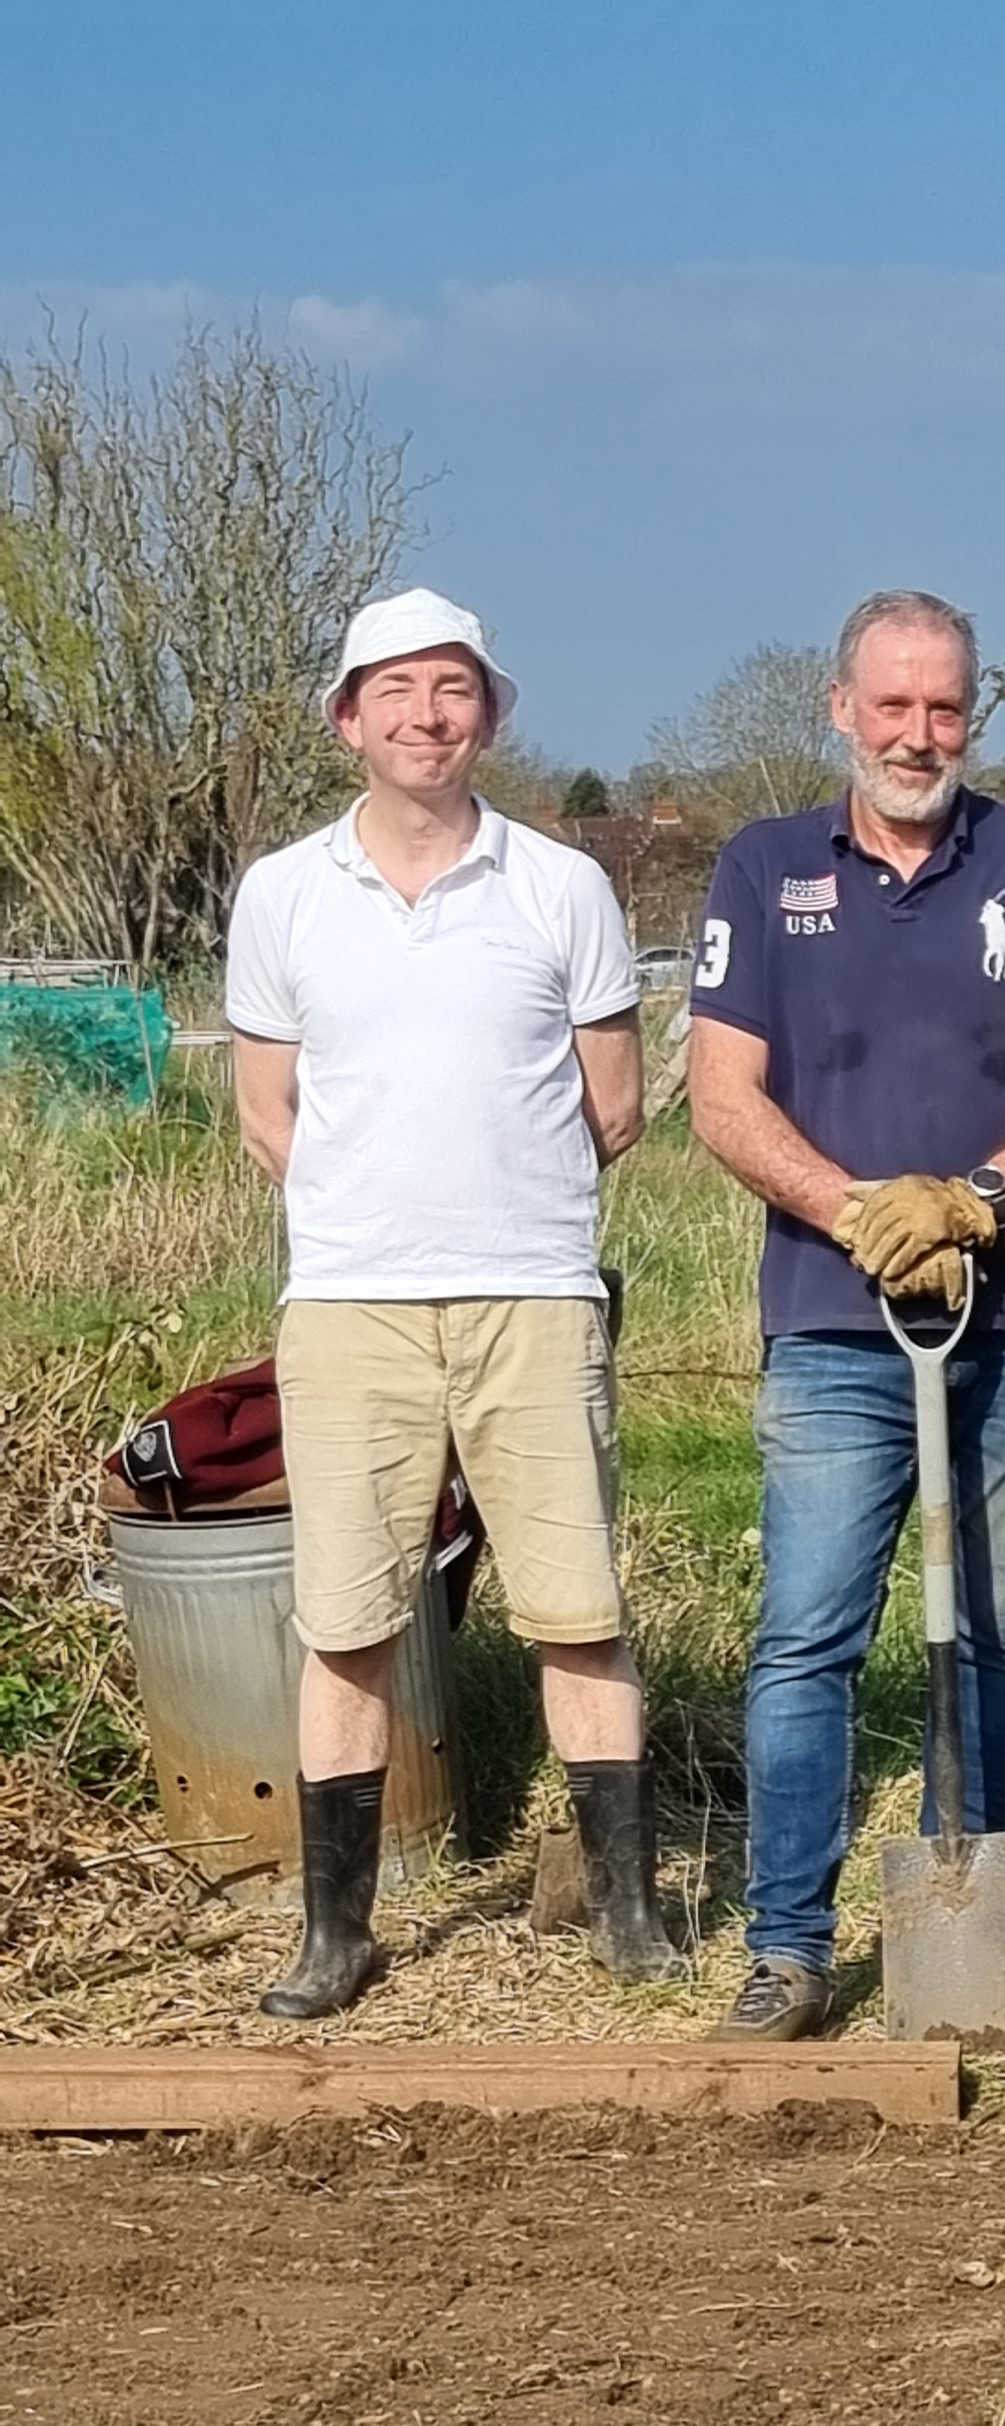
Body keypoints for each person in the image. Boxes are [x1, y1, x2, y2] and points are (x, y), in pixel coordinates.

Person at [226, 585, 677, 2015]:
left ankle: (626, 1914)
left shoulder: (561, 887)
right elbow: (266, 1113)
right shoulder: (284, 892)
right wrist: (379, 1213)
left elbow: (614, 1105)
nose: (427, 716)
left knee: (578, 1609)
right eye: (397, 691)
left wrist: (494, 1209)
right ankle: (335, 1933)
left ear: (489, 713)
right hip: (351, 1307)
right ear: (348, 719)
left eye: (454, 689)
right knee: (347, 1622)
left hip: (533, 1297)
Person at [688, 588, 1005, 2040]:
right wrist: (863, 1215)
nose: (920, 734)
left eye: (945, 708)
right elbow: (722, 1094)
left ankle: (965, 1922)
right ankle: (791, 1947)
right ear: (840, 709)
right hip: (830, 1322)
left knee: (994, 1626)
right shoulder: (763, 870)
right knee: (810, 1632)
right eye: (894, 706)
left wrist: (974, 1201)